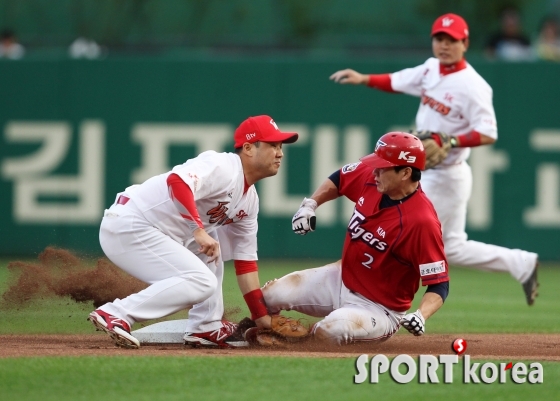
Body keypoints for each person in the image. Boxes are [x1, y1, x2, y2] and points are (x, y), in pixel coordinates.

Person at [328, 13, 539, 306]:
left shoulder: (474, 85)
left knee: (401, 229)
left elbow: (488, 133)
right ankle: (522, 263)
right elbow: (397, 81)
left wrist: (452, 139)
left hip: (446, 173)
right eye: (439, 39)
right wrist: (364, 78)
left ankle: (370, 297)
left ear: (464, 43)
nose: (444, 45)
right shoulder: (430, 69)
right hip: (426, 170)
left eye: (451, 40)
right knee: (451, 247)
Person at [89, 115, 299, 348]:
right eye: (272, 146)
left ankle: (206, 327)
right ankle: (116, 313)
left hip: (159, 232)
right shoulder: (224, 167)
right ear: (248, 148)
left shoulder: (249, 201)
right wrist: (197, 229)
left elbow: (246, 263)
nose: (280, 153)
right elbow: (177, 182)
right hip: (130, 225)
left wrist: (262, 318)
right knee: (201, 279)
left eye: (280, 147)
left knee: (211, 249)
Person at [259, 132, 449, 344]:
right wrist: (310, 205)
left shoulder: (422, 222)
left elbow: (439, 284)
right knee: (269, 295)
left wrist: (421, 314)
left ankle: (290, 338)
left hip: (378, 307)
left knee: (330, 331)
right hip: (341, 278)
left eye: (382, 167)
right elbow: (340, 179)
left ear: (405, 172)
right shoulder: (374, 179)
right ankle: (258, 331)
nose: (375, 171)